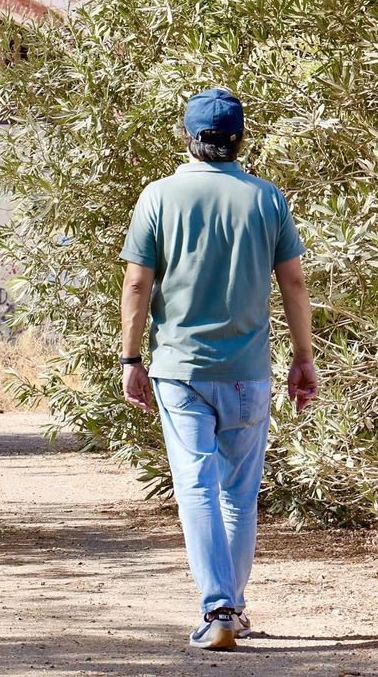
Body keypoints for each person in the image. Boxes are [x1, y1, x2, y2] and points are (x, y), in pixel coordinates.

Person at [117, 88, 318, 651]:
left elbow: (138, 283)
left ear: (188, 137)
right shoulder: (267, 198)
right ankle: (235, 606)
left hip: (180, 371)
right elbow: (294, 283)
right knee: (238, 493)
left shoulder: (159, 197)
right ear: (241, 140)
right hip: (248, 372)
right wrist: (303, 358)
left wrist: (132, 357)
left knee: (197, 488)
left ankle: (220, 609)